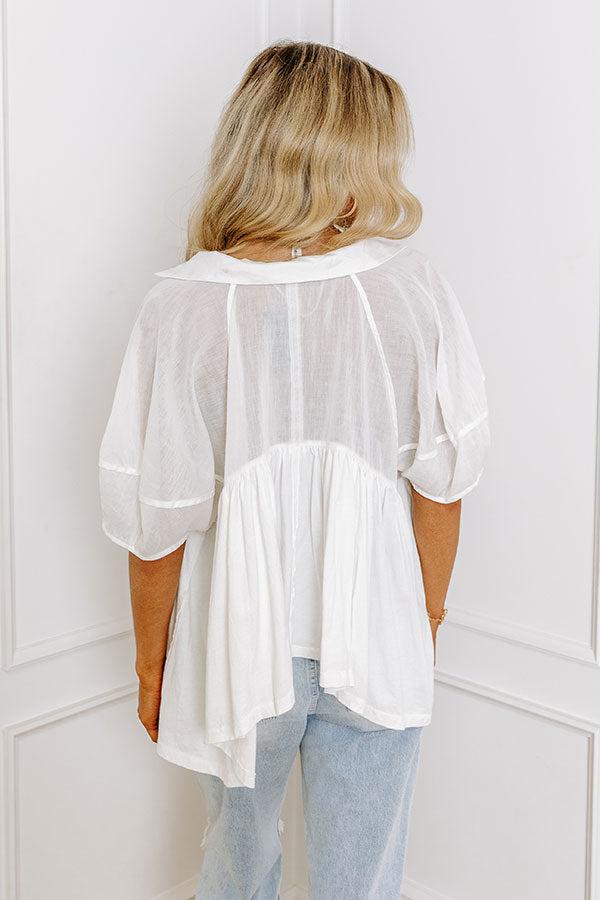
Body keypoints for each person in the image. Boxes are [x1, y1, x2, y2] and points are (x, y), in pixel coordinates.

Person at [98, 41, 490, 899]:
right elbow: (443, 485)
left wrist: (153, 666)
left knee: (234, 869)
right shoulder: (411, 288)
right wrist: (422, 620)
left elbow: (158, 520)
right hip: (378, 628)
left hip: (237, 647)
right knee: (367, 878)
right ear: (349, 155)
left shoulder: (184, 304)